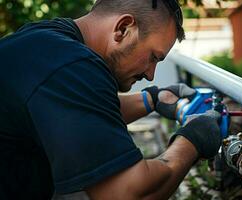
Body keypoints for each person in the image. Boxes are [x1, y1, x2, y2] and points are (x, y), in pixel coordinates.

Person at [0, 0, 222, 199]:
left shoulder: (47, 40)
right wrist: (194, 138)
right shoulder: (70, 65)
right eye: (153, 57)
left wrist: (153, 99)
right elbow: (128, 193)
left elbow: (84, 114)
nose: (151, 74)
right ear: (123, 28)